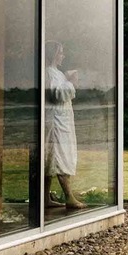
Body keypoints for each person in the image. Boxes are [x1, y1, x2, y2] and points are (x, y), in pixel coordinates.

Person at [44, 40, 84, 209]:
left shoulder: (57, 73)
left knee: (52, 158)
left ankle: (44, 198)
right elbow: (56, 94)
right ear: (53, 54)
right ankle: (69, 196)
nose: (63, 56)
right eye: (60, 52)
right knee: (59, 157)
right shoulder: (48, 73)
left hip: (62, 121)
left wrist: (67, 79)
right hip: (56, 123)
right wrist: (71, 82)